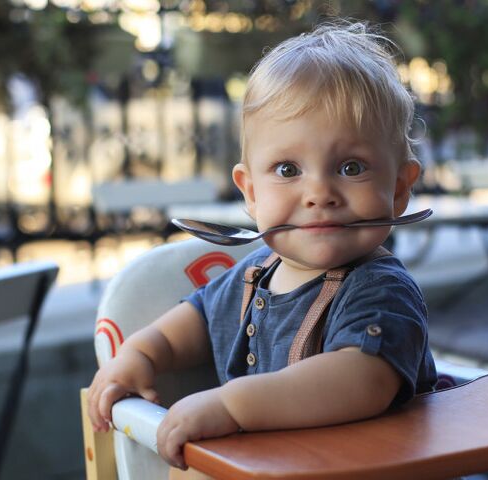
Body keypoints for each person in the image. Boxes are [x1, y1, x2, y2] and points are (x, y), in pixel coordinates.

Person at [87, 20, 438, 472]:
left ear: (397, 190)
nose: (319, 193)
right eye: (288, 170)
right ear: (250, 193)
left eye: (351, 168)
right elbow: (190, 323)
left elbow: (361, 379)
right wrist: (139, 355)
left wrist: (231, 406)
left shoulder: (379, 290)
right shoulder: (254, 275)